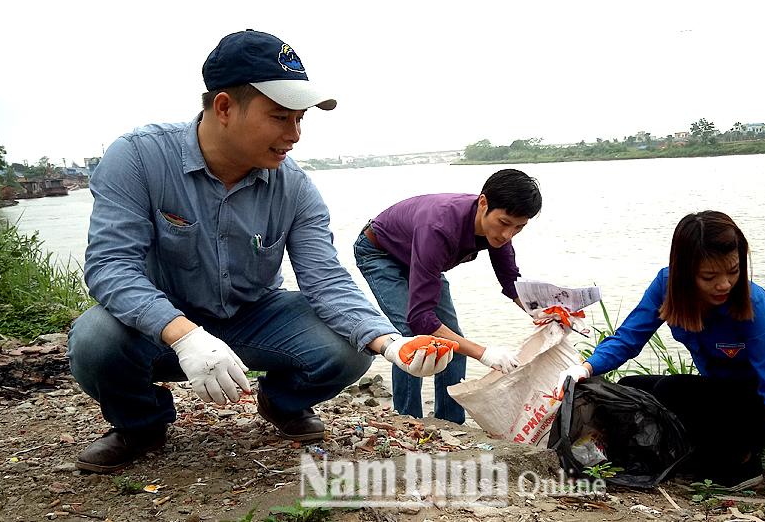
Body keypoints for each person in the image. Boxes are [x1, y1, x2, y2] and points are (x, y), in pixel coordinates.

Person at [66, 29, 454, 474]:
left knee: (351, 347)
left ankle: (281, 401)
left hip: (253, 315)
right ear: (225, 107)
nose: (295, 135)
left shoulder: (295, 187)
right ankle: (141, 424)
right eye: (280, 117)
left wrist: (391, 343)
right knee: (95, 340)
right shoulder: (138, 158)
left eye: (300, 119)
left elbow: (325, 279)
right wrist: (184, 334)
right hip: (157, 323)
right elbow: (111, 266)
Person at [555, 211, 765, 512]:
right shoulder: (667, 286)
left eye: (733, 271)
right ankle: (710, 454)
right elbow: (629, 337)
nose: (724, 285)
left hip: (755, 409)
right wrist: (585, 367)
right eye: (709, 277)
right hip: (714, 395)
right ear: (685, 271)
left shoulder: (754, 305)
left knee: (673, 392)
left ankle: (742, 461)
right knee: (631, 387)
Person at [353, 169, 542, 424]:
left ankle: (450, 422)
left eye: (519, 227)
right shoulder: (440, 227)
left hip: (424, 260)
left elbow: (511, 282)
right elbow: (421, 318)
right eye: (505, 223)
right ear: (483, 203)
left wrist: (543, 313)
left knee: (454, 340)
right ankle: (407, 420)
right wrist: (484, 353)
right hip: (381, 252)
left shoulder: (496, 231)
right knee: (412, 339)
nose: (508, 235)